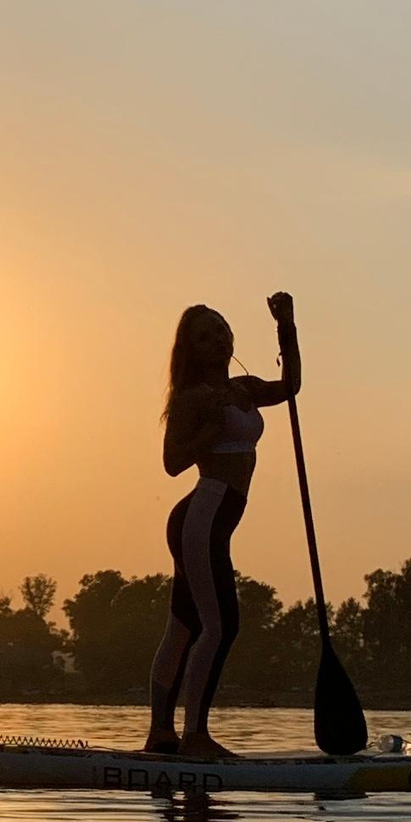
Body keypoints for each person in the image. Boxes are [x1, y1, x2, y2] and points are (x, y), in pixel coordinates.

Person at [145, 293, 300, 761]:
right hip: (202, 515)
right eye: (204, 337)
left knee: (185, 626)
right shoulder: (191, 399)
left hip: (215, 519)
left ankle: (164, 736)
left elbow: (291, 386)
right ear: (190, 350)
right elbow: (172, 463)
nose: (217, 340)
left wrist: (287, 328)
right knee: (220, 625)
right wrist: (210, 429)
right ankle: (191, 736)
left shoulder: (245, 388)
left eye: (220, 330)